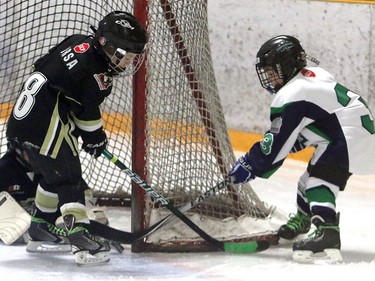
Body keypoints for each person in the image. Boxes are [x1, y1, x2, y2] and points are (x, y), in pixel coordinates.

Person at [2, 11, 147, 265]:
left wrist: (90, 135)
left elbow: (49, 72)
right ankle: (81, 241)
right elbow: (86, 112)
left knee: (51, 176)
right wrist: (95, 139)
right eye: (126, 57)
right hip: (47, 129)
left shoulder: (77, 41)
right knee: (70, 180)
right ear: (107, 46)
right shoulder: (96, 74)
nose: (129, 63)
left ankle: (41, 229)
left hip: (20, 123)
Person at [228, 35, 375, 263]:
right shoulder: (313, 74)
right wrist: (296, 141)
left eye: (272, 71)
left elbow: (276, 142)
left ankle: (327, 231)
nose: (269, 78)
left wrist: (251, 163)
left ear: (287, 66)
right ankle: (304, 219)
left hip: (349, 136)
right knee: (305, 182)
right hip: (352, 131)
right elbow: (322, 118)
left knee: (318, 181)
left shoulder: (291, 93)